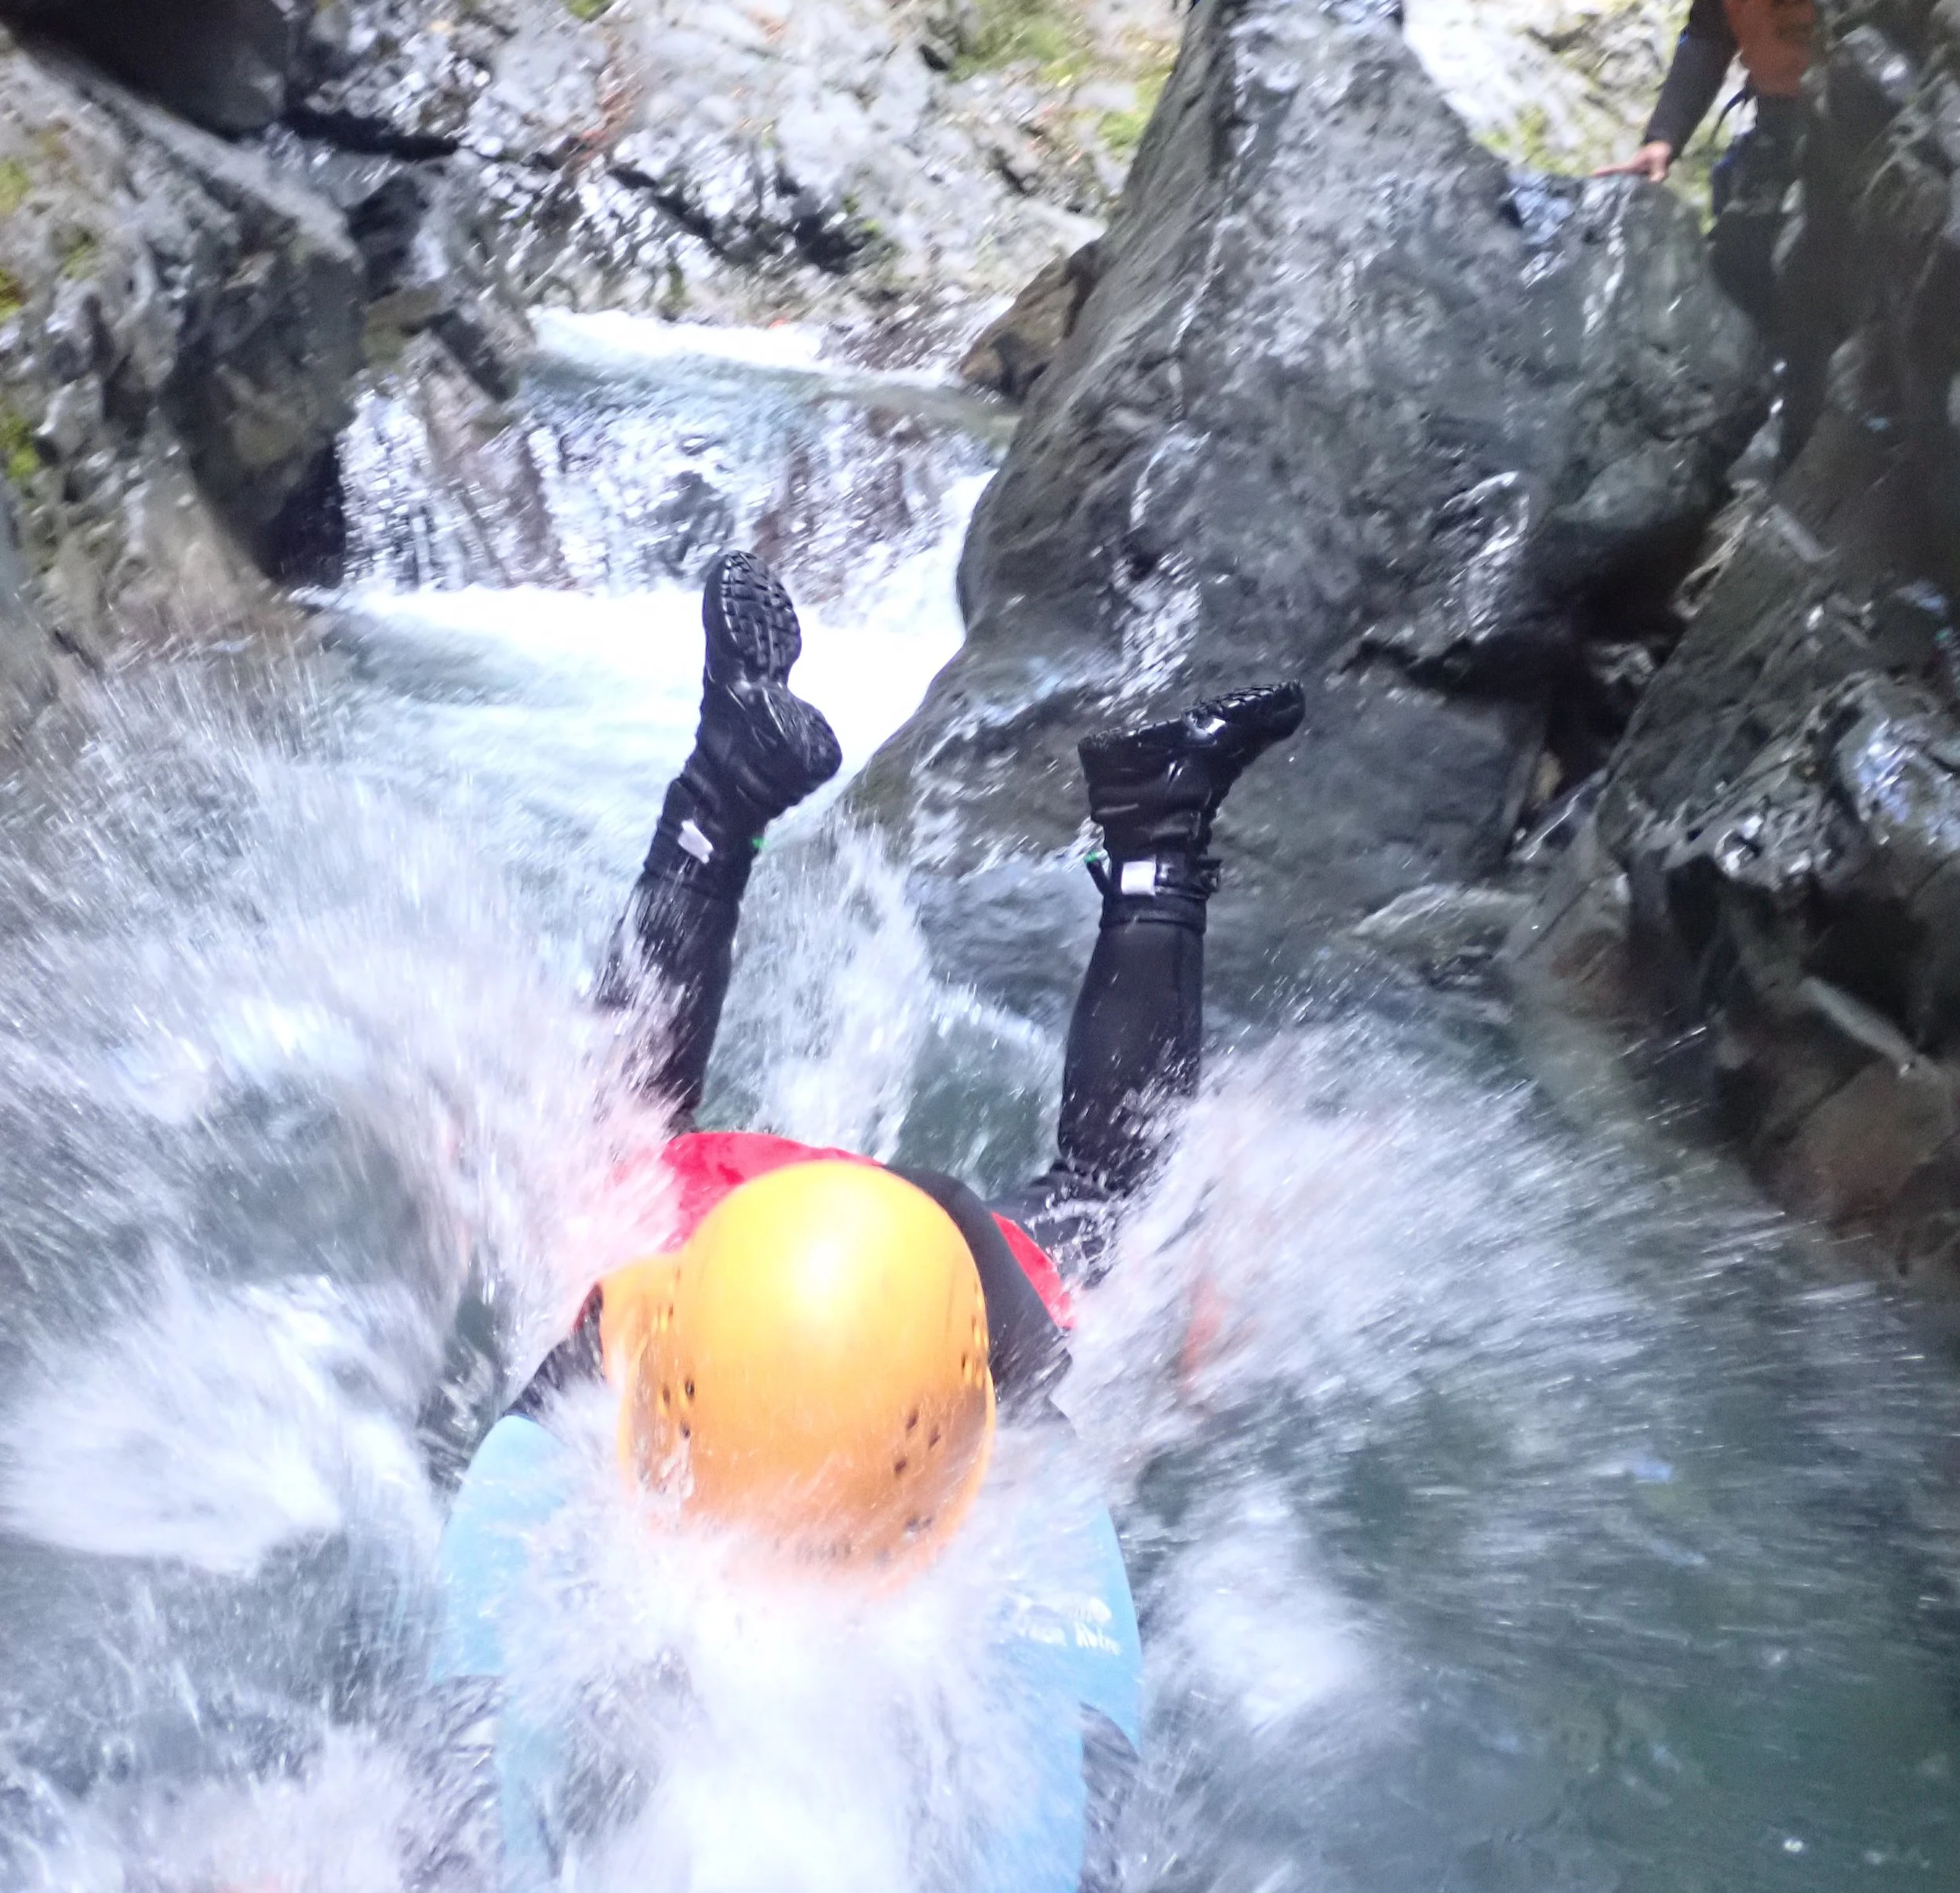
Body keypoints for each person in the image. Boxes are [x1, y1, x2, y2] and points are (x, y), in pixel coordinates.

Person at [428, 550, 1304, 1891]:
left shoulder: (1007, 1433)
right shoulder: (598, 1386)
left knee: (601, 1121)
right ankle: (1145, 836)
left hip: (857, 1277)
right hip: (772, 1265)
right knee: (1102, 1218)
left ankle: (742, 789)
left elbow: (469, 1803)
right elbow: (1061, 1827)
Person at [1596, 0, 1816, 334]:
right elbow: (1708, 34)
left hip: (1850, 127)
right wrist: (1663, 137)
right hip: (1776, 123)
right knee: (1738, 255)